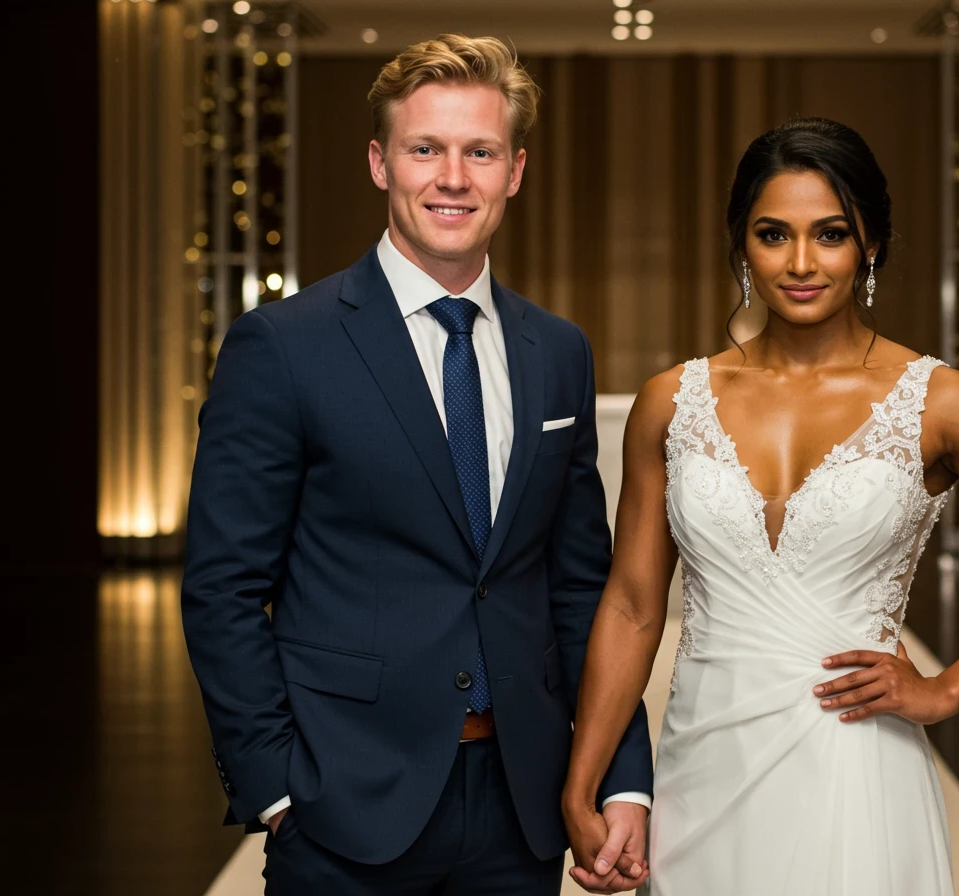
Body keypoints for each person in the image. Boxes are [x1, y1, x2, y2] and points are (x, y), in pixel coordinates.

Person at [561, 117, 959, 895]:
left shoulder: (945, 404)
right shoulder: (672, 401)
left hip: (856, 758)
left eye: (829, 234)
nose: (799, 262)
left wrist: (948, 688)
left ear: (872, 246)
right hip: (703, 762)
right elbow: (630, 607)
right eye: (771, 234)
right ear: (742, 246)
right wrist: (583, 781)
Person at [181, 34, 653, 895]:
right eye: (424, 149)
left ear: (514, 171)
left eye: (480, 151)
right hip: (342, 809)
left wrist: (619, 772)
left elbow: (581, 585)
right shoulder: (284, 347)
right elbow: (222, 586)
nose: (452, 177)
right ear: (379, 163)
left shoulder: (557, 352)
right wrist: (278, 788)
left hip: (523, 805)